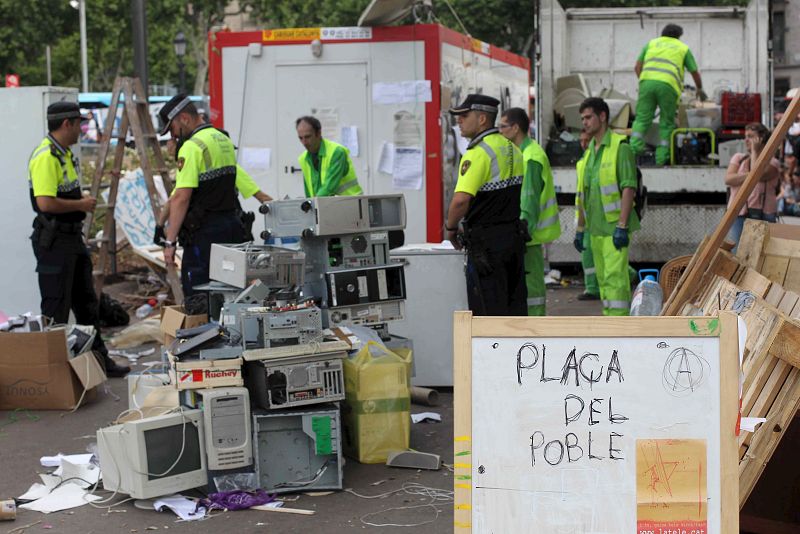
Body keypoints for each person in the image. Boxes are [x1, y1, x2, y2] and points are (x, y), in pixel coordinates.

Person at [28, 102, 130, 377]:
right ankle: (52, 373)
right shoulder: (46, 156)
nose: (81, 129)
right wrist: (81, 205)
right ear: (66, 124)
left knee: (87, 304)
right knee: (56, 308)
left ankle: (100, 361)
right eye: (79, 123)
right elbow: (46, 203)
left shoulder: (64, 155)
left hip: (72, 241)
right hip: (54, 243)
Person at [445, 94, 528, 316]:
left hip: (487, 247)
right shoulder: (512, 149)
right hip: (513, 239)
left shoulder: (478, 153)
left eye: (464, 115)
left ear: (482, 119)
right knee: (514, 309)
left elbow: (461, 200)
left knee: (488, 311)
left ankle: (492, 351)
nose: (459, 121)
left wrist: (451, 229)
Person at [157, 94, 246, 297]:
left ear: (185, 119)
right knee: (228, 293)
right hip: (231, 228)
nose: (174, 137)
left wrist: (169, 243)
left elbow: (181, 197)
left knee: (199, 297)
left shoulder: (191, 147)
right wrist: (160, 223)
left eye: (172, 129)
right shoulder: (223, 139)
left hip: (204, 235)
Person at [573, 97, 640, 316]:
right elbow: (584, 195)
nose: (585, 122)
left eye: (589, 117)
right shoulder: (590, 152)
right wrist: (581, 229)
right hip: (595, 230)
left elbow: (629, 188)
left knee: (615, 279)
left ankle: (621, 327)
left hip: (613, 229)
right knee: (603, 280)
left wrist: (622, 225)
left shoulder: (620, 148)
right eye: (582, 118)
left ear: (602, 117)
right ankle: (610, 324)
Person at [499, 107, 561, 316]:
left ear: (515, 128)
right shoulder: (523, 153)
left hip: (529, 237)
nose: (499, 131)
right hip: (527, 235)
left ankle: (536, 327)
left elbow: (530, 200)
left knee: (532, 288)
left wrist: (521, 232)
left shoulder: (530, 157)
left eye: (502, 126)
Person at [630, 24, 705, 166]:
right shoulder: (683, 48)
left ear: (662, 34)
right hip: (668, 86)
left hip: (646, 83)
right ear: (678, 36)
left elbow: (637, 67)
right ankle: (661, 159)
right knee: (666, 123)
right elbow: (694, 72)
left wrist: (644, 80)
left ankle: (634, 151)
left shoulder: (651, 43)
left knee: (642, 119)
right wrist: (700, 89)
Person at [724, 122, 780, 250]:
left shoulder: (773, 163)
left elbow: (757, 177)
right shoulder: (738, 158)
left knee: (762, 252)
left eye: (750, 136)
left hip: (765, 214)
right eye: (745, 136)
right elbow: (728, 179)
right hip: (739, 211)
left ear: (762, 139)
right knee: (738, 250)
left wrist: (755, 151)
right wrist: (749, 176)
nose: (746, 140)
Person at [295, 116, 363, 197]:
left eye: (308, 137)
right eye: (300, 138)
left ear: (319, 133)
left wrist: (314, 204)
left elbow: (329, 188)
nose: (304, 142)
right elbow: (309, 192)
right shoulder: (304, 159)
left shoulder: (336, 152)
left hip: (350, 204)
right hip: (325, 206)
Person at [575, 129, 599, 301]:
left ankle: (592, 289)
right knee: (589, 254)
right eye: (581, 140)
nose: (583, 144)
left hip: (596, 217)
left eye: (586, 140)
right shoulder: (582, 162)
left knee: (595, 255)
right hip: (586, 216)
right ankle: (591, 287)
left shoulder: (590, 160)